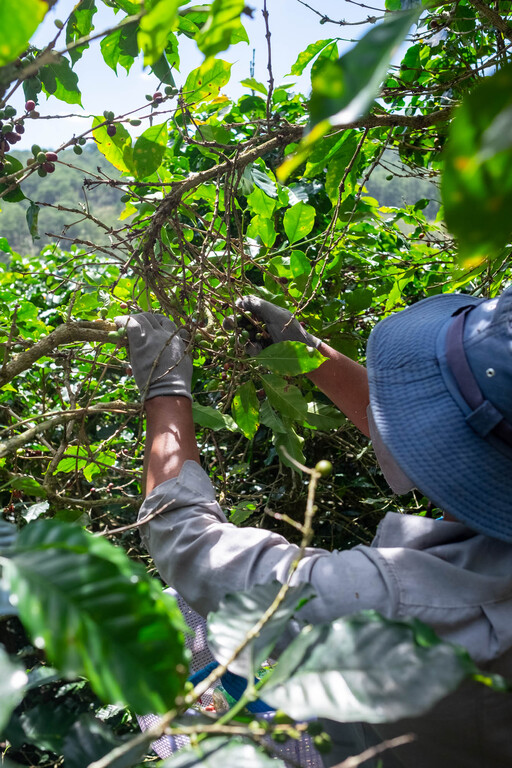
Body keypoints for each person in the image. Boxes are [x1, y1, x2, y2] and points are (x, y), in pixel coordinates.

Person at [116, 289, 512, 768]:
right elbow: (458, 440)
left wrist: (165, 394)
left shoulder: (403, 604)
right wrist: (307, 354)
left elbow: (186, 539)